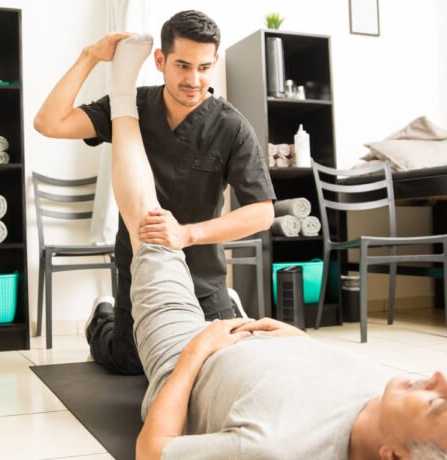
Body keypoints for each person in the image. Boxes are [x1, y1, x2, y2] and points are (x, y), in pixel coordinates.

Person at [102, 34, 447, 460]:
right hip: (257, 339)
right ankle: (222, 303)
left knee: (151, 229)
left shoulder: (276, 449)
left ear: (395, 457)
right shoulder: (390, 399)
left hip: (191, 355)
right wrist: (291, 337)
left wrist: (197, 350)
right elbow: (321, 378)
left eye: (436, 402)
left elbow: (153, 452)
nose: (440, 378)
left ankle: (121, 92)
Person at [34, 10, 275, 375]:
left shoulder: (232, 127)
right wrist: (89, 57)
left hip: (202, 278)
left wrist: (187, 233)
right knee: (129, 363)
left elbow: (262, 213)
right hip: (139, 267)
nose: (194, 80)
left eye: (204, 67)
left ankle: (229, 304)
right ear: (160, 61)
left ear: (215, 63)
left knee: (218, 365)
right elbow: (49, 123)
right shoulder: (130, 106)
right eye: (182, 66)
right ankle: (103, 317)